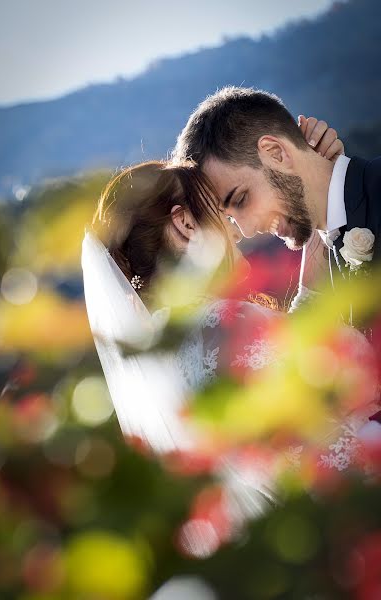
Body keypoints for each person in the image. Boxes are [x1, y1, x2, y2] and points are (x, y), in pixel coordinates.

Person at [82, 122, 378, 474]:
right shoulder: (220, 319)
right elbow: (340, 369)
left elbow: (297, 337)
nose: (238, 232)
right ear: (187, 225)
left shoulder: (170, 337)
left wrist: (312, 195)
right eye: (223, 214)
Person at [172, 86, 381, 317]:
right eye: (229, 216)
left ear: (275, 153)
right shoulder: (326, 256)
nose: (247, 231)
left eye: (241, 199)